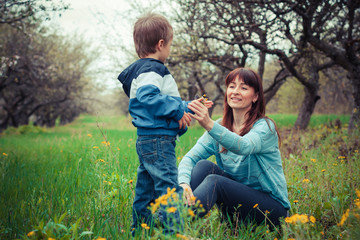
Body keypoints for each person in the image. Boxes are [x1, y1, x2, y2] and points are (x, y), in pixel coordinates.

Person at [117, 13, 212, 234]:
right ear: (161, 44)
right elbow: (149, 98)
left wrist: (188, 105)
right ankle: (174, 234)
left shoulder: (140, 70)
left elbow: (157, 102)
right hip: (159, 140)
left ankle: (140, 231)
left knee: (146, 190)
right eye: (169, 45)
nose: (169, 49)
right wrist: (179, 108)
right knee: (170, 189)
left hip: (147, 139)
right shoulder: (153, 69)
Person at [178, 67, 290, 227]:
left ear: (255, 96)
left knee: (215, 181)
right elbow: (189, 158)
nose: (235, 91)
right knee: (203, 166)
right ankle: (169, 216)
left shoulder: (265, 127)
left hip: (272, 211)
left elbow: (244, 146)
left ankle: (172, 223)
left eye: (243, 87)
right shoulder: (219, 126)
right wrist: (183, 183)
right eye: (232, 86)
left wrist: (209, 124)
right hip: (238, 208)